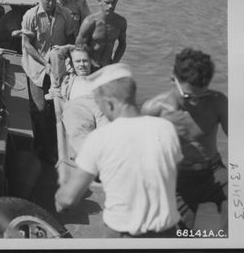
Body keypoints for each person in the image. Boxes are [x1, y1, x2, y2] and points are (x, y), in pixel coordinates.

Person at [55, 63, 183, 238]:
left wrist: (59, 199)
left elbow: (68, 198)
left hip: (124, 235)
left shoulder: (99, 139)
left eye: (100, 104)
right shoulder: (166, 128)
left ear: (109, 103)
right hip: (168, 234)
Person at [141, 48, 228, 233]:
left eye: (201, 95)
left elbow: (241, 142)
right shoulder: (154, 110)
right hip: (179, 179)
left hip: (214, 171)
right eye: (189, 96)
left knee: (242, 205)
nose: (196, 102)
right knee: (180, 236)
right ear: (173, 79)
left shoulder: (218, 101)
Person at [21, 0, 75, 164]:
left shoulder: (65, 14)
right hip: (36, 69)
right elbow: (27, 45)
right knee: (41, 109)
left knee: (58, 110)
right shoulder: (30, 16)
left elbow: (70, 39)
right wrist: (45, 63)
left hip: (58, 69)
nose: (51, 3)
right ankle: (41, 151)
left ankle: (55, 150)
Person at [75, 0, 127, 69]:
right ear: (99, 1)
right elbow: (78, 48)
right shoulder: (89, 22)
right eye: (107, 2)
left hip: (108, 66)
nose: (110, 6)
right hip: (90, 68)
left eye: (113, 2)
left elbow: (122, 44)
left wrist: (114, 63)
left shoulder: (121, 22)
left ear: (117, 0)